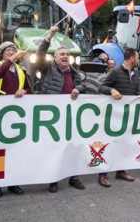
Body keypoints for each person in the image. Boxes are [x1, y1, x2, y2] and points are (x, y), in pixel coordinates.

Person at [37, 26, 86, 193]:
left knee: (73, 145)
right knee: (54, 148)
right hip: (53, 117)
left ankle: (74, 177)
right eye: (62, 54)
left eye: (67, 54)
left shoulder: (74, 73)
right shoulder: (47, 68)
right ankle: (53, 179)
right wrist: (49, 36)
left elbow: (81, 85)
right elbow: (40, 55)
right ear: (55, 58)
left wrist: (78, 89)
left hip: (70, 116)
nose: (65, 57)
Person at [0, 41, 30, 198]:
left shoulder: (20, 70)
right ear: (2, 53)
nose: (12, 52)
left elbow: (29, 89)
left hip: (15, 113)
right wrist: (10, 60)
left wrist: (23, 90)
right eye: (8, 51)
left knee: (15, 149)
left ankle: (13, 182)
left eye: (13, 50)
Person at [98, 48, 140, 186]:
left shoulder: (135, 75)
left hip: (127, 116)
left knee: (123, 143)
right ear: (132, 58)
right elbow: (101, 87)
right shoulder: (115, 72)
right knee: (109, 144)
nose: (138, 59)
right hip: (113, 115)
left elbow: (134, 91)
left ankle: (120, 171)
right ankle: (103, 174)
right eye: (137, 57)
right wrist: (111, 90)